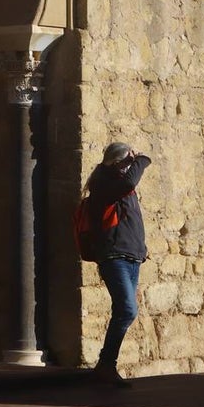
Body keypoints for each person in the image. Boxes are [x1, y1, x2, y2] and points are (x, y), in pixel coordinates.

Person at [83, 141, 151, 387]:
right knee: (127, 310)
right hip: (114, 257)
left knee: (123, 311)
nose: (132, 166)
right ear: (118, 163)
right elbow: (129, 181)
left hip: (131, 256)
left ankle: (106, 366)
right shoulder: (103, 183)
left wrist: (140, 249)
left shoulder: (120, 188)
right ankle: (106, 365)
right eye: (128, 162)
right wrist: (142, 159)